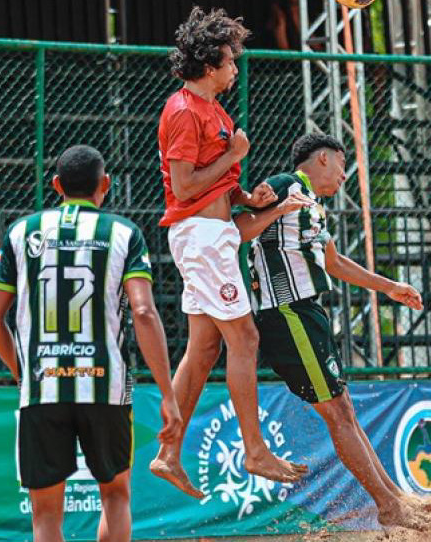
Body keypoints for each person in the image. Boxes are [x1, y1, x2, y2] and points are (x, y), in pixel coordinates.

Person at [0, 145, 183, 542]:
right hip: (105, 385)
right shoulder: (124, 232)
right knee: (115, 494)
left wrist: (23, 373)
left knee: (45, 514)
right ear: (104, 185)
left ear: (56, 186)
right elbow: (144, 312)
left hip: (42, 386)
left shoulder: (21, 232)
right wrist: (168, 393)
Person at [149, 6, 309, 496]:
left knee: (204, 348)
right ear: (209, 64)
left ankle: (169, 452)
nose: (235, 69)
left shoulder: (215, 111)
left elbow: (213, 184)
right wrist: (234, 157)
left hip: (212, 233)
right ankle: (254, 450)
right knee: (246, 339)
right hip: (199, 237)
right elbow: (183, 184)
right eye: (230, 61)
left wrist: (247, 196)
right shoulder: (182, 111)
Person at [237, 133, 431, 530]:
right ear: (323, 158)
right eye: (343, 165)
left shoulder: (312, 204)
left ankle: (395, 499)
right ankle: (389, 505)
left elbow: (335, 262)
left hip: (307, 312)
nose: (345, 175)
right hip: (287, 312)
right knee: (338, 414)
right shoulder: (283, 186)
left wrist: (389, 287)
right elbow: (239, 229)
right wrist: (275, 211)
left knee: (344, 410)